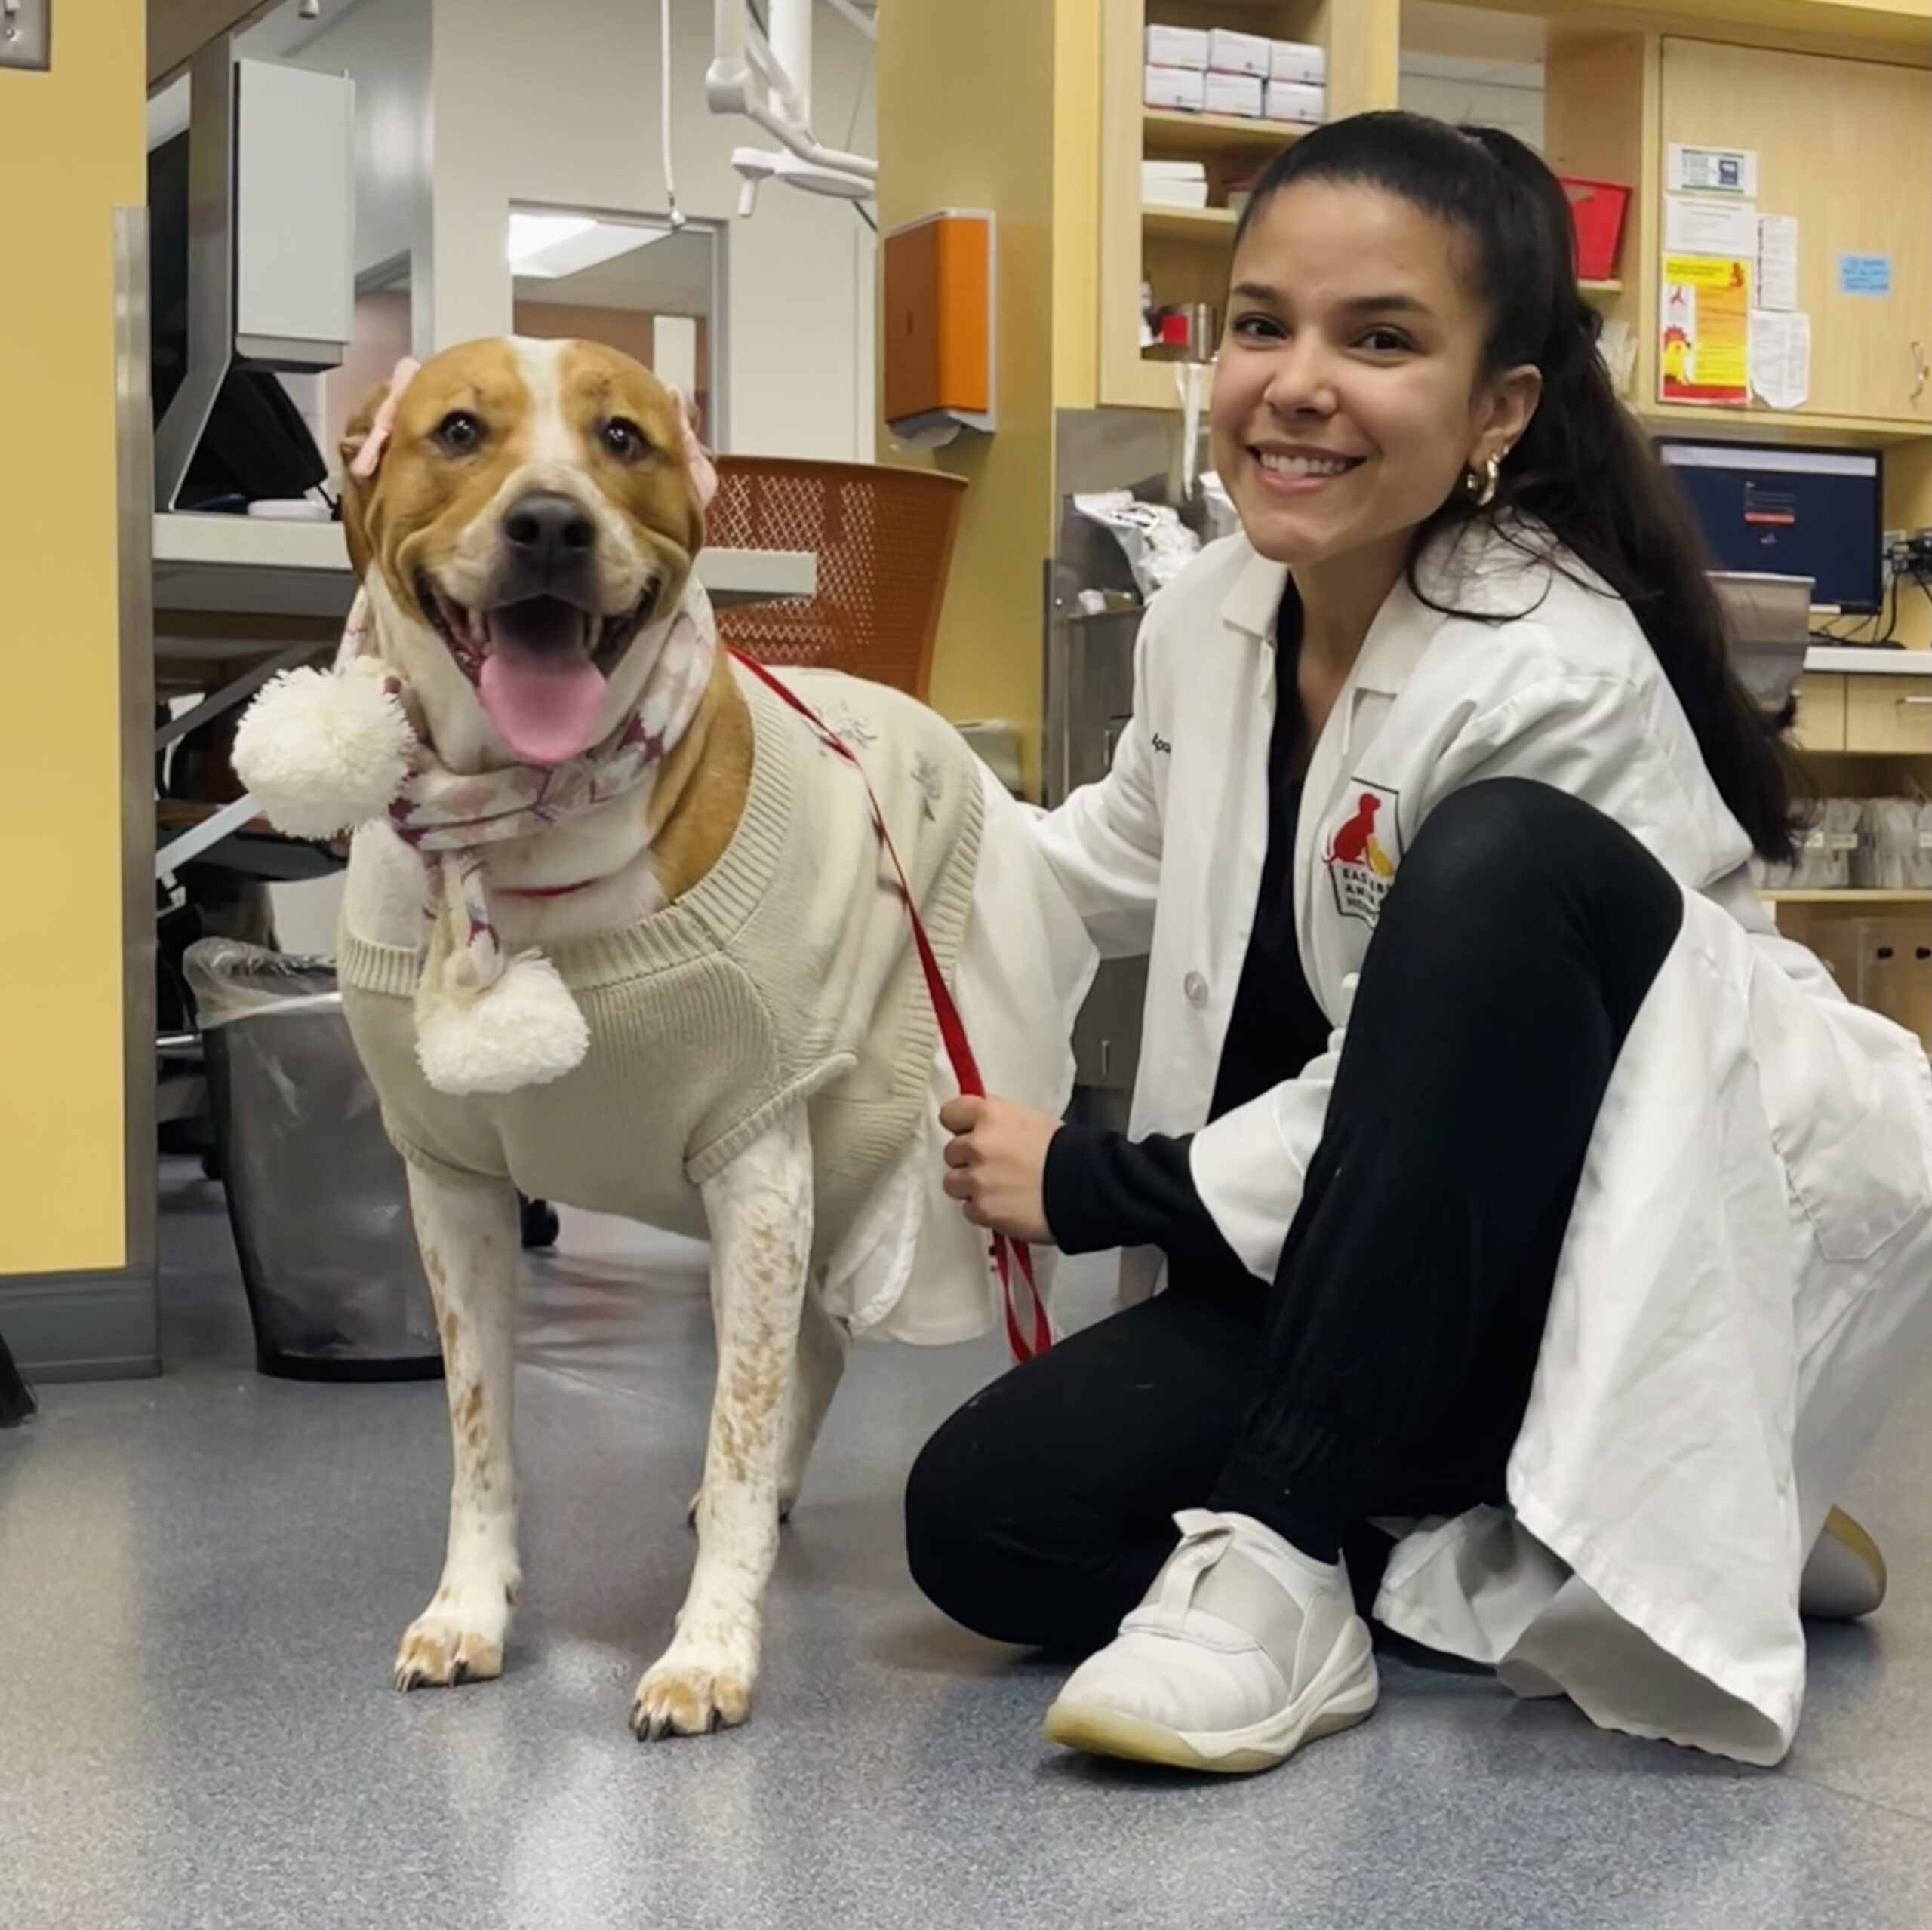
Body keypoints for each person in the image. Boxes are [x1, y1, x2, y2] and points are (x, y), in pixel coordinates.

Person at [904, 112, 1932, 1777]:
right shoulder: (1212, 610)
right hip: (1350, 1263)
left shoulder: (1549, 665)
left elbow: (1419, 1076)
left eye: (1377, 339)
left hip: (1552, 1249)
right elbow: (1103, 859)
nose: (1295, 382)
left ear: (1495, 409)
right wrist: (846, 811)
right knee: (982, 1527)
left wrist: (1096, 1186)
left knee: (1496, 859)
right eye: (1260, 324)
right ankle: (1610, 1542)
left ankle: (1293, 1553)